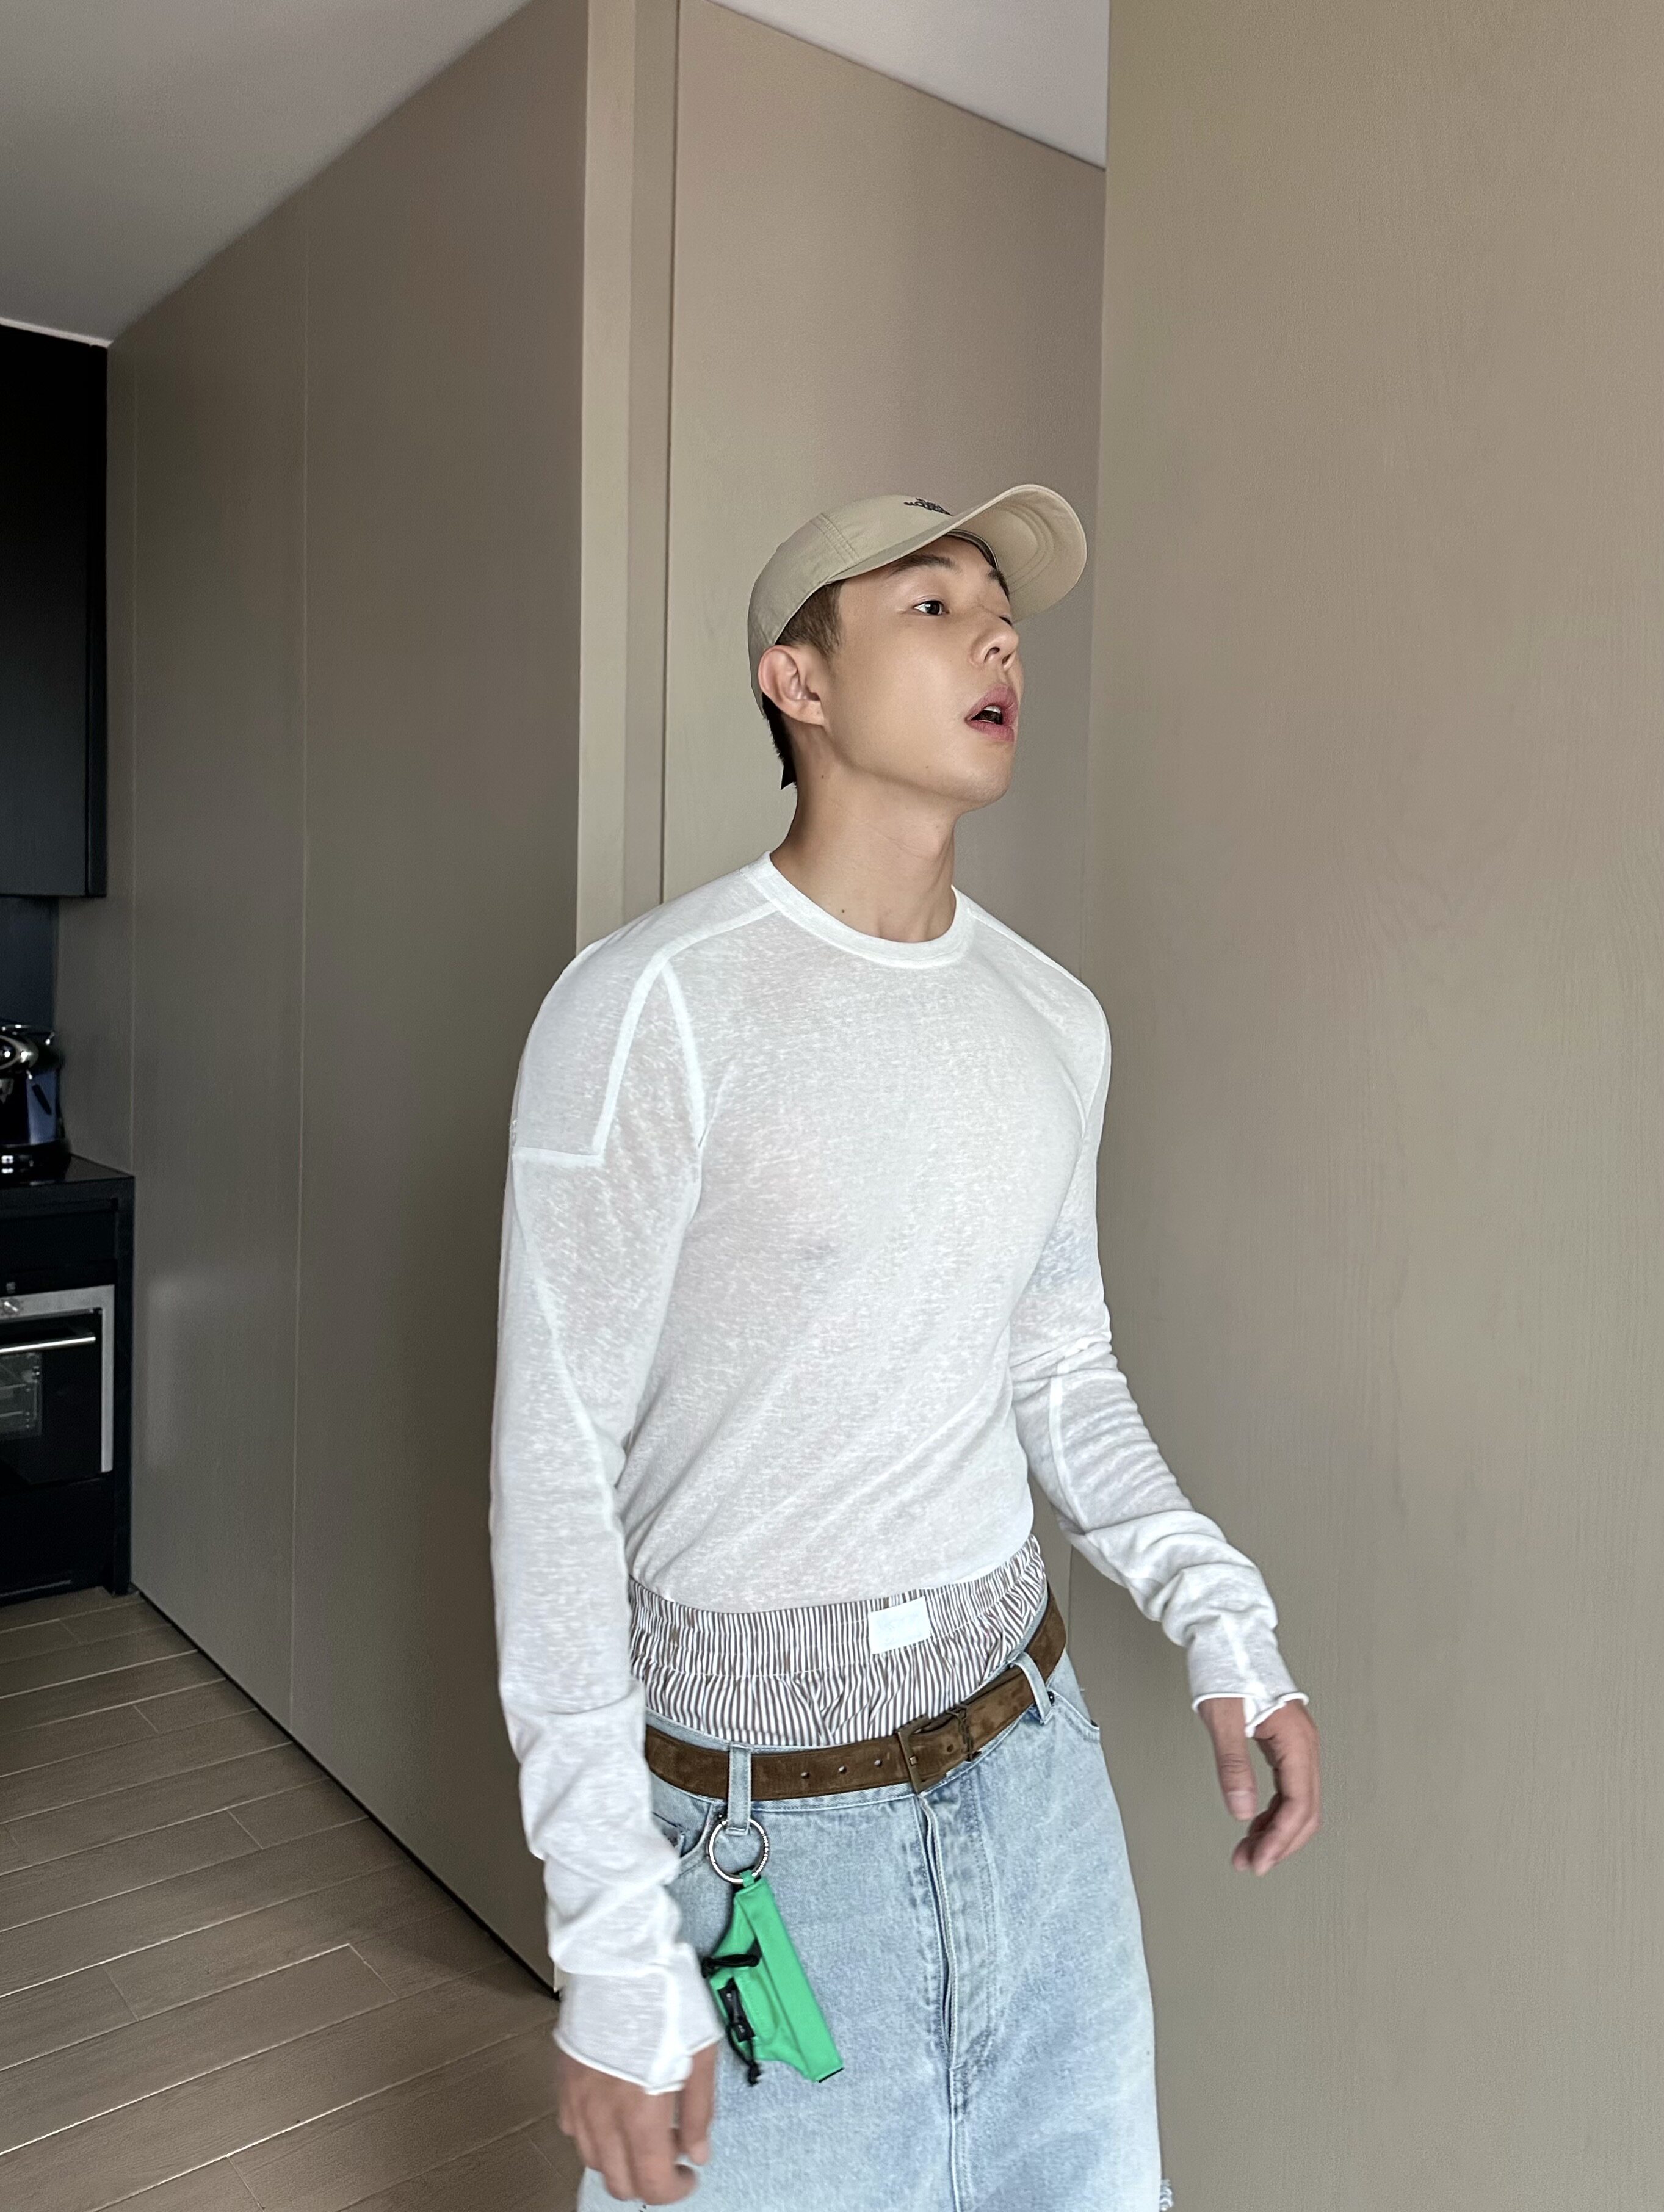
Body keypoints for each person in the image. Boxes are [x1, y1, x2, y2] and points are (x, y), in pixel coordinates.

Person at [488, 483, 1320, 2212]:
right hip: (760, 1839)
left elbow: (1062, 1371)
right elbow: (552, 1476)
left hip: (1039, 1781)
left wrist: (1221, 1612)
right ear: (797, 683)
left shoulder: (1055, 1022)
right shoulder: (650, 1007)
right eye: (933, 605)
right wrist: (610, 1935)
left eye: (1002, 611)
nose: (998, 637)